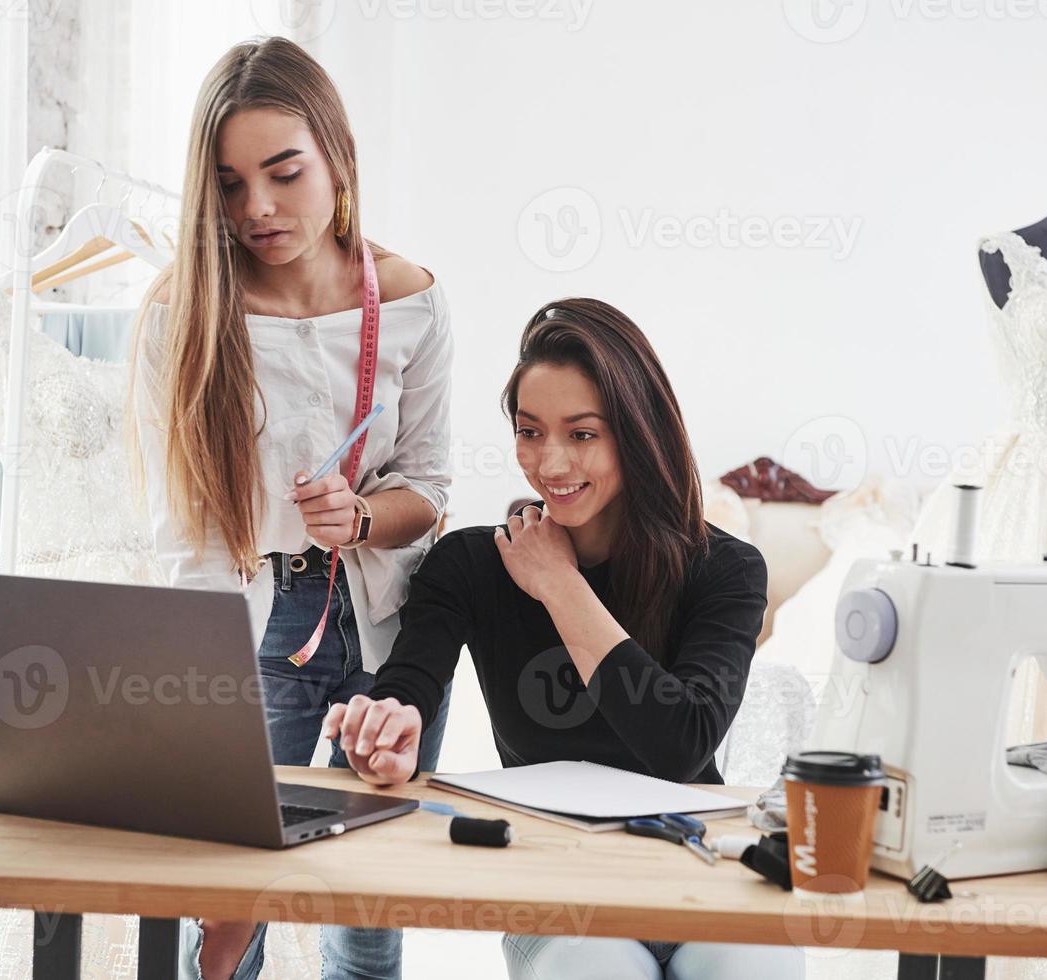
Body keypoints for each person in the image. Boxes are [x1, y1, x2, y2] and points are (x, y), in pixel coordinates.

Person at [323, 298, 805, 979]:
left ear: (639, 434)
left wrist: (560, 585)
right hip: (557, 884)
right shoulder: (469, 564)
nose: (549, 463)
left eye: (582, 435)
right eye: (529, 431)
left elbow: (680, 743)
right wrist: (389, 723)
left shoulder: (723, 569)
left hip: (697, 866)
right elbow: (410, 681)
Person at [127, 36, 453, 980]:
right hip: (251, 629)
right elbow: (181, 535)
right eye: (229, 185)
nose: (258, 209)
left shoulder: (414, 301)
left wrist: (360, 520)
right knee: (225, 927)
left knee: (366, 919)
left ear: (337, 159)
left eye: (283, 171)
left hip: (387, 631)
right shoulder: (185, 317)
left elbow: (428, 490)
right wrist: (204, 694)